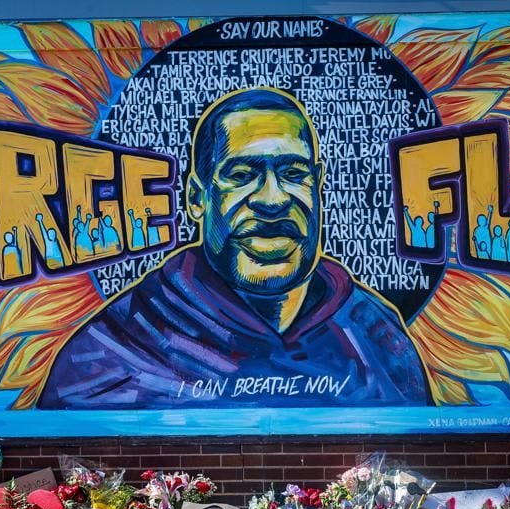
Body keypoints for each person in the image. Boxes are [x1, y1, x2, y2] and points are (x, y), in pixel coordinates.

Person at [39, 88, 431, 409]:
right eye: (241, 175)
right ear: (197, 197)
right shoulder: (116, 348)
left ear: (318, 184)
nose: (273, 199)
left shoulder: (373, 333)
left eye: (294, 174)